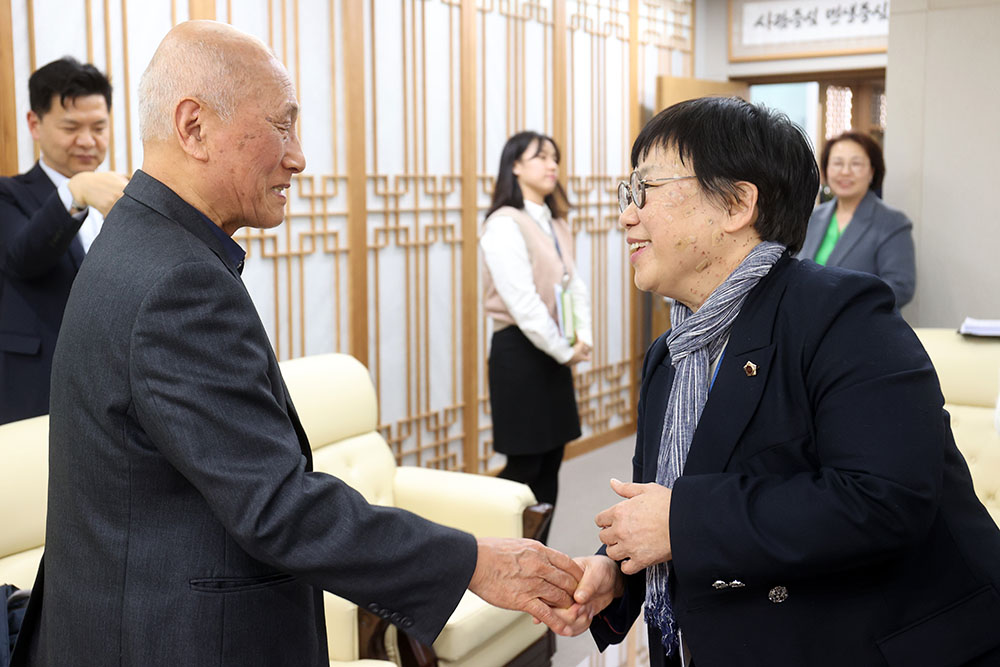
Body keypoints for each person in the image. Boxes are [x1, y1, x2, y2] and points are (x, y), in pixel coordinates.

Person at [10, 21, 583, 666]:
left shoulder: (136, 242)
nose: (299, 156)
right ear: (194, 127)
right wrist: (472, 561)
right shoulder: (177, 281)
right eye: (282, 126)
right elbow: (277, 504)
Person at [547, 97, 1000, 666]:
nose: (626, 216)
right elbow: (667, 508)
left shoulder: (843, 316)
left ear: (738, 203)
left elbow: (885, 500)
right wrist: (615, 569)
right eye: (627, 193)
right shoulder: (674, 352)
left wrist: (680, 522)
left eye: (646, 190)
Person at [0, 56, 129, 424]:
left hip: (114, 392)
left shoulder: (122, 194)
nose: (87, 141)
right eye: (71, 126)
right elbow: (22, 258)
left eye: (99, 127)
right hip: (37, 392)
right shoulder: (8, 195)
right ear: (34, 124)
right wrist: (74, 193)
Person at [481, 130, 593, 544]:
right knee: (524, 466)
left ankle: (538, 554)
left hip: (553, 352)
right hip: (520, 354)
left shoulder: (555, 220)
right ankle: (494, 550)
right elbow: (523, 303)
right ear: (514, 166)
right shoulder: (503, 225)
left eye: (555, 158)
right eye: (540, 157)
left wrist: (583, 335)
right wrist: (565, 349)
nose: (552, 166)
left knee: (551, 460)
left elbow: (574, 283)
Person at [798, 130, 916, 307]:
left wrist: (844, 303)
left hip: (860, 327)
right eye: (837, 163)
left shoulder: (893, 222)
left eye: (856, 164)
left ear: (872, 171)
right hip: (807, 326)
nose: (845, 172)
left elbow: (900, 287)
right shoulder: (812, 217)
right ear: (826, 170)